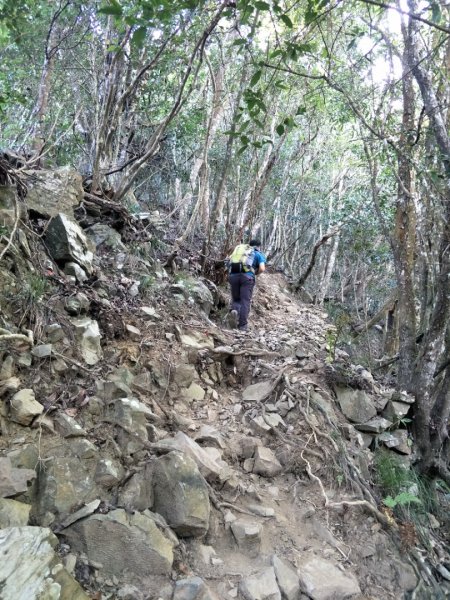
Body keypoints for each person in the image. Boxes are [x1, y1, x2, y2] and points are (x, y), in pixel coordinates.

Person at [227, 239, 266, 331]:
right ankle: (242, 326)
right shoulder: (257, 254)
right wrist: (255, 273)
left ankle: (235, 312)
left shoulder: (240, 252)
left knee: (236, 299)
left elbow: (228, 260)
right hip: (247, 278)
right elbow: (262, 268)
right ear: (258, 246)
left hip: (233, 276)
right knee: (245, 301)